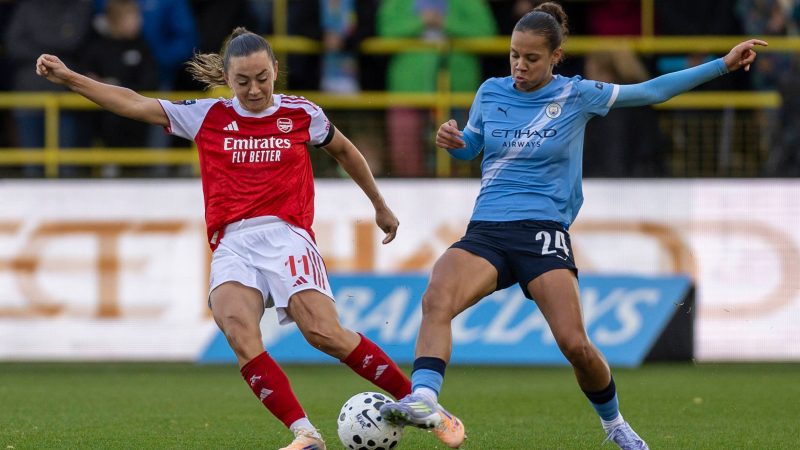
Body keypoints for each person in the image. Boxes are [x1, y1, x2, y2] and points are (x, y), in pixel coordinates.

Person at [378, 3, 766, 449]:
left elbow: (652, 92)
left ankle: (615, 424)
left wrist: (723, 65)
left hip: (542, 233)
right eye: (513, 55)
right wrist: (457, 143)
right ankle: (425, 397)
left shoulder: (578, 95)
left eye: (531, 58)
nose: (519, 66)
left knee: (575, 345)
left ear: (556, 56)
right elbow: (474, 149)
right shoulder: (490, 92)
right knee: (436, 298)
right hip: (487, 228)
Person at [36, 27, 412, 450]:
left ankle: (416, 402)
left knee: (323, 333)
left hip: (286, 233)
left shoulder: (303, 113)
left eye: (262, 79)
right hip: (232, 241)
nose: (254, 90)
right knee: (236, 328)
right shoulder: (208, 115)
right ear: (228, 80)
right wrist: (70, 78)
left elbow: (345, 151)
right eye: (243, 81)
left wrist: (379, 205)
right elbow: (134, 103)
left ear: (274, 71)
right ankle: (305, 434)